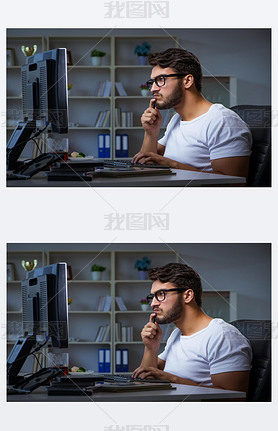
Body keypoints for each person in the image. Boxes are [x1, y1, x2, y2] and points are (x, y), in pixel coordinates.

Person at [132, 263, 252, 393]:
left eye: (161, 294)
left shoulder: (223, 335)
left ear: (188, 296)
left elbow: (235, 399)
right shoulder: (177, 334)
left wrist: (172, 379)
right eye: (152, 297)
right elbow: (146, 380)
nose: (153, 303)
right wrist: (151, 347)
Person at [132, 48, 252, 178]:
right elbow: (146, 166)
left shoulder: (223, 121)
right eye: (152, 82)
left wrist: (172, 164)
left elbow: (234, 183)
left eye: (161, 79)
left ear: (188, 81)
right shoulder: (177, 119)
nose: (153, 88)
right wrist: (151, 133)